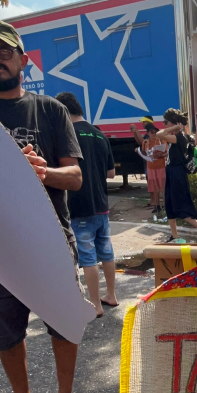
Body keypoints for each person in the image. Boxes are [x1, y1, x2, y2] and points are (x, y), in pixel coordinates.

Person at [0, 19, 88, 393]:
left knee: (64, 323)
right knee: (5, 334)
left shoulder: (49, 110)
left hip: (50, 238)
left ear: (23, 61)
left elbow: (76, 177)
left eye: (3, 51)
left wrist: (42, 171)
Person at [55, 91, 118, 317]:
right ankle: (111, 295)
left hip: (79, 205)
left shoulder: (67, 133)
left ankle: (95, 305)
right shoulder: (99, 134)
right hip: (102, 204)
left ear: (63, 110)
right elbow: (111, 173)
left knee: (88, 257)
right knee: (106, 252)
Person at [155, 108, 197, 243]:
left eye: (166, 122)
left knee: (180, 205)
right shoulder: (176, 137)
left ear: (173, 123)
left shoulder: (179, 137)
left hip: (177, 174)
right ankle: (174, 236)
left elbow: (159, 134)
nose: (164, 125)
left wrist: (173, 127)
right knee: (169, 205)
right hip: (171, 173)